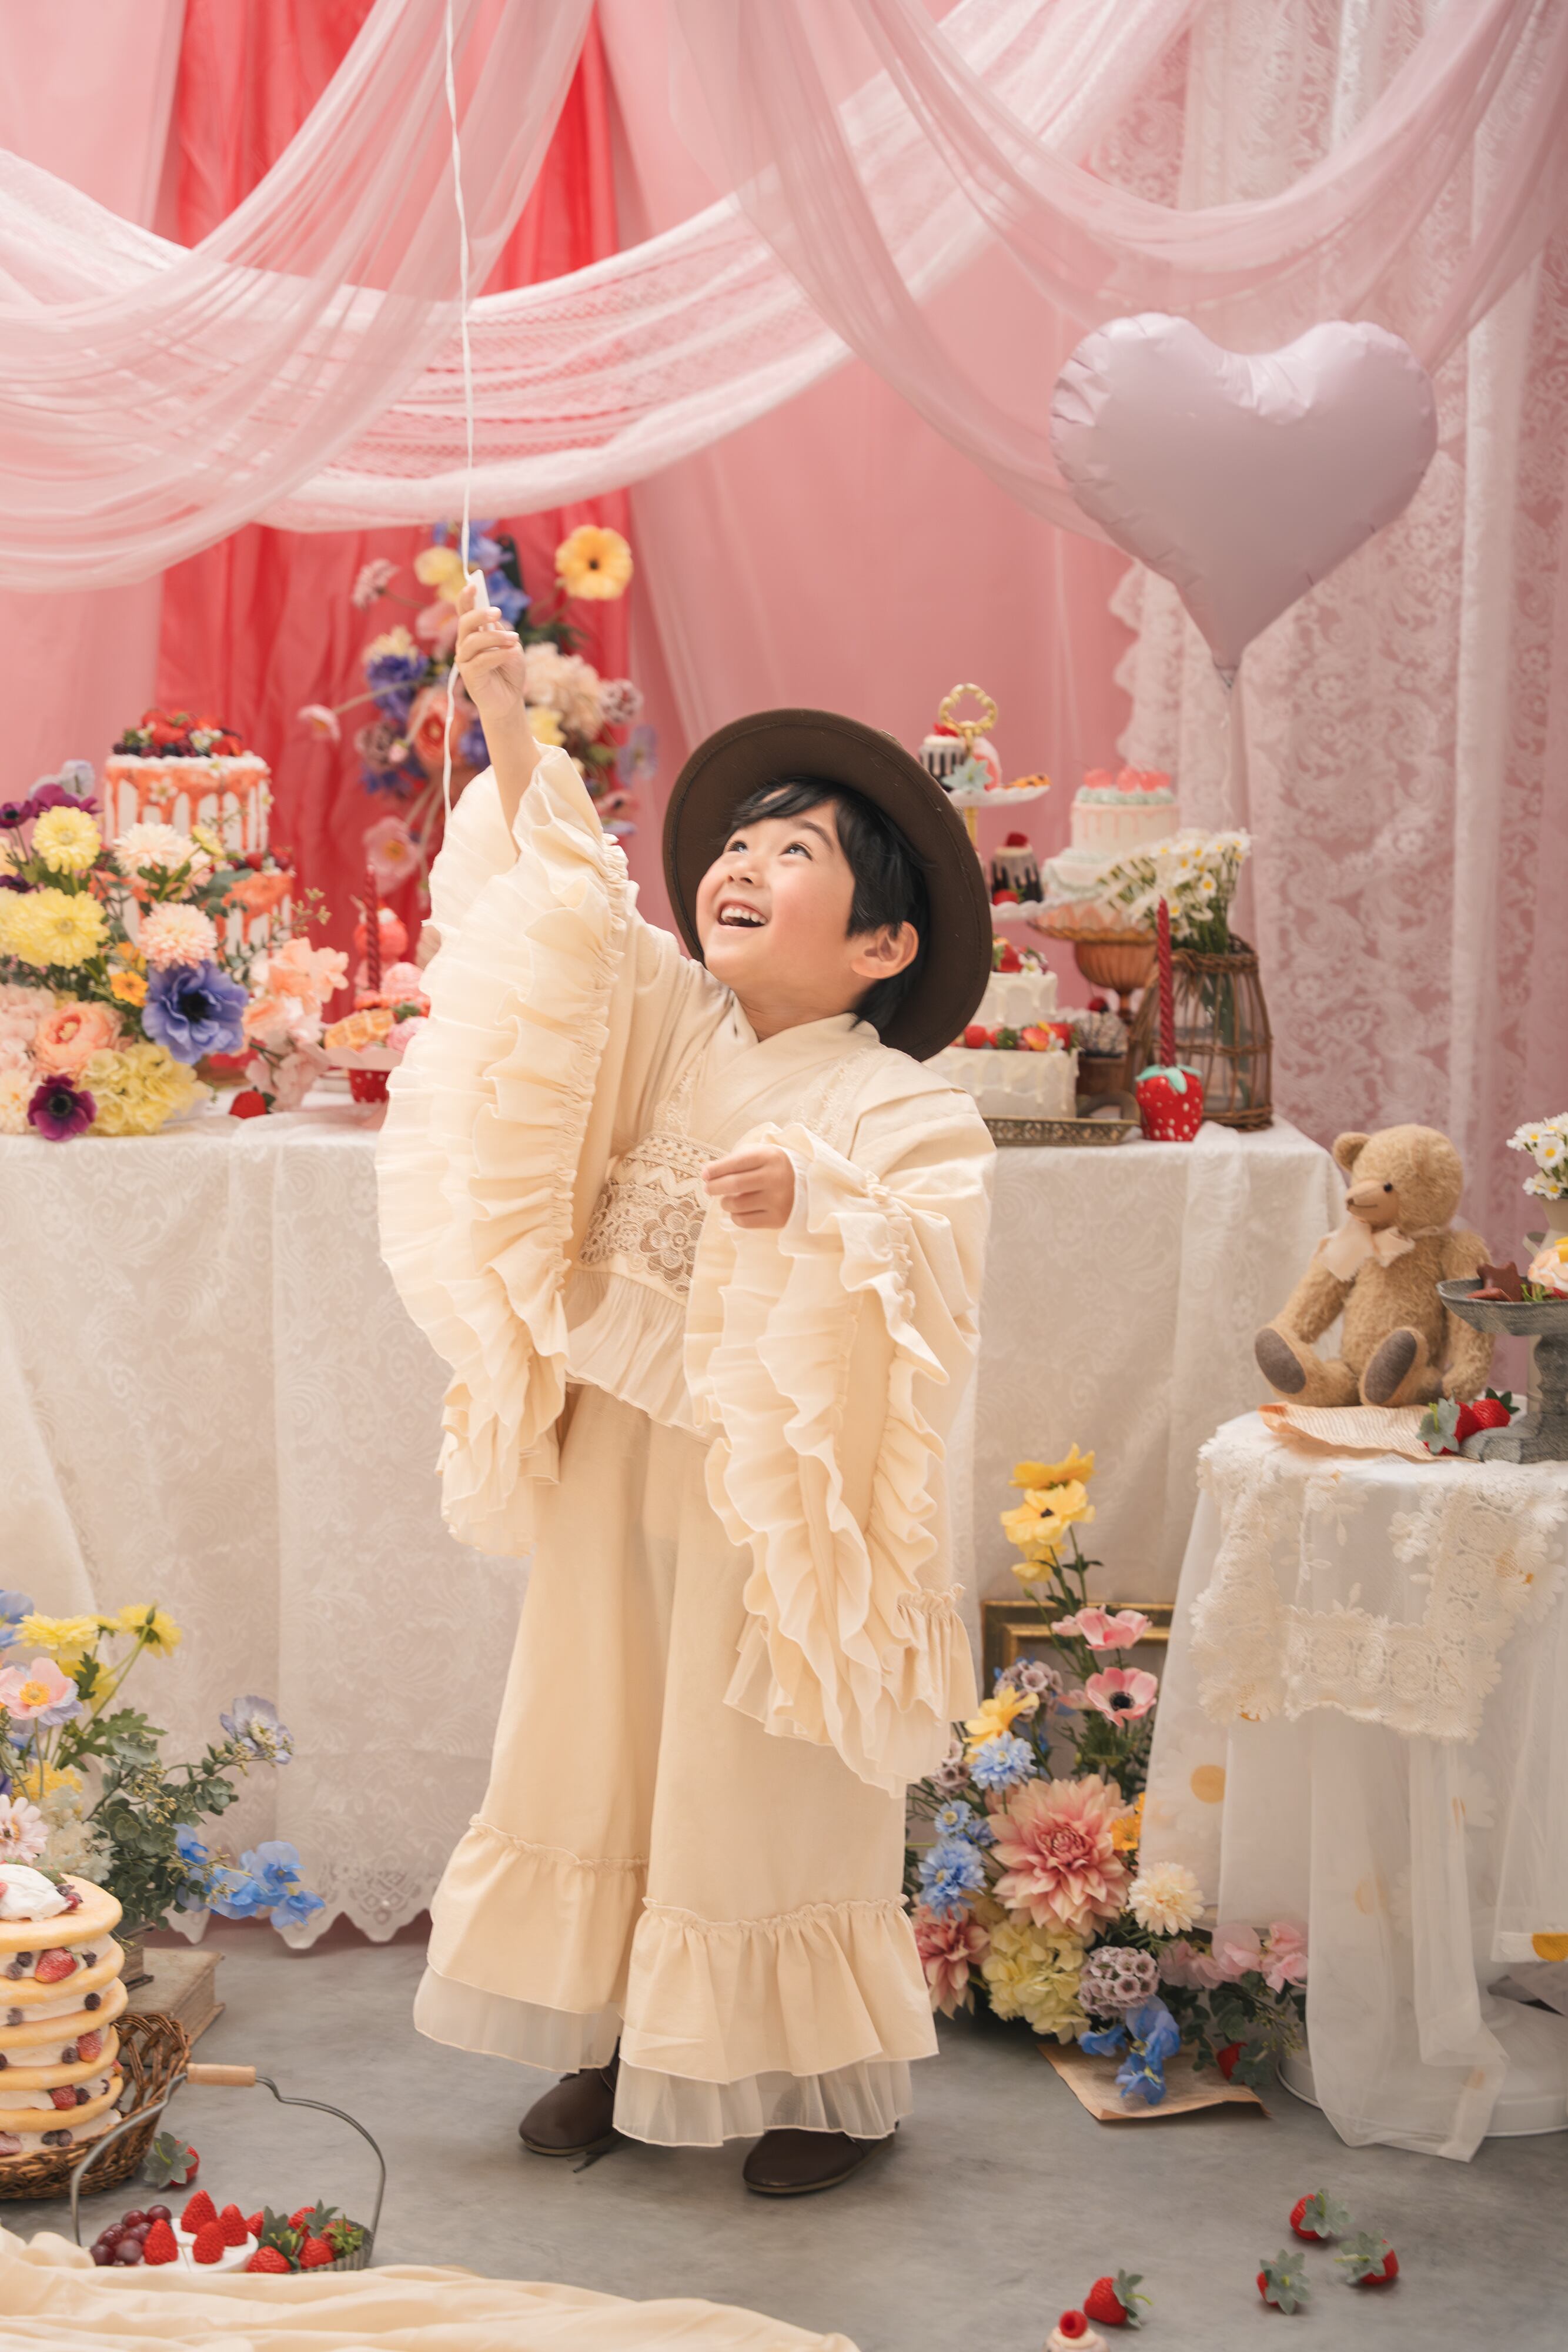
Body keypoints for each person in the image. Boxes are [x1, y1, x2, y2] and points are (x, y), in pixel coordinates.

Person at [378, 583, 994, 2195]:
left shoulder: (901, 1103)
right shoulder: (670, 1025)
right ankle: (613, 2028)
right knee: (599, 1728)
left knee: (756, 1763)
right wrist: (506, 720)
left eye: (796, 854)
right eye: (737, 844)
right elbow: (570, 913)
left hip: (774, 1498)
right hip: (623, 1446)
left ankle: (816, 2079)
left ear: (883, 945)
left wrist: (821, 1205)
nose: (743, 864)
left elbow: (933, 1249)